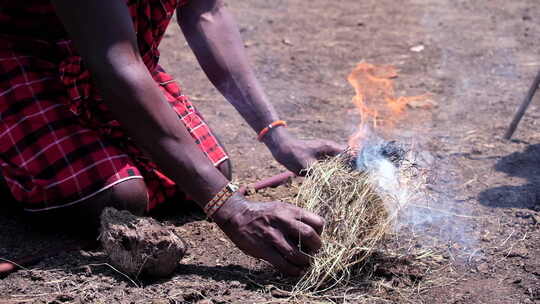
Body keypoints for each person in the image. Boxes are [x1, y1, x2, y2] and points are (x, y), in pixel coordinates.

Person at [0, 0, 344, 276]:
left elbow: (207, 12)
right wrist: (230, 208)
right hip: (26, 59)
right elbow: (116, 64)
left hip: (115, 65)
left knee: (213, 173)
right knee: (119, 196)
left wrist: (277, 135)